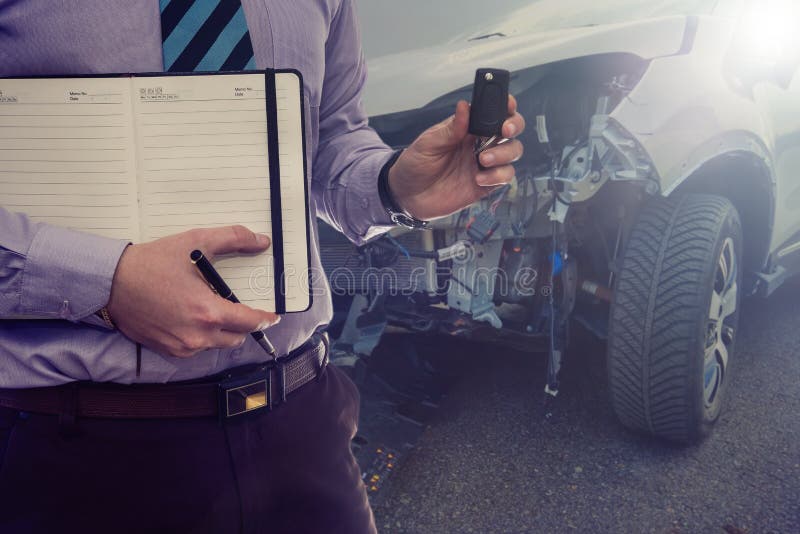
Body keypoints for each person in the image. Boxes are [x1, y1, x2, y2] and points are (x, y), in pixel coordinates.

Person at [0, 1, 525, 532]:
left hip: (299, 423)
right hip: (76, 451)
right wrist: (104, 282)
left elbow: (331, 140)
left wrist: (393, 185)